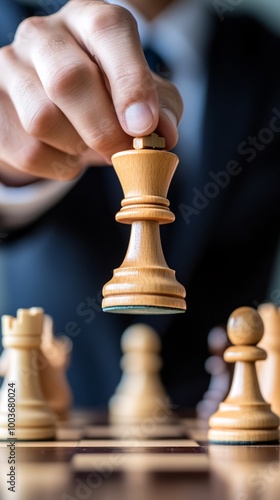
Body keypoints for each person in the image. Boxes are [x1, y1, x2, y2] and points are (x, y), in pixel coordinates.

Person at [0, 0, 279, 409]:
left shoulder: (268, 59)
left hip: (220, 432)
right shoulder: (11, 26)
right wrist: (11, 172)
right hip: (46, 415)